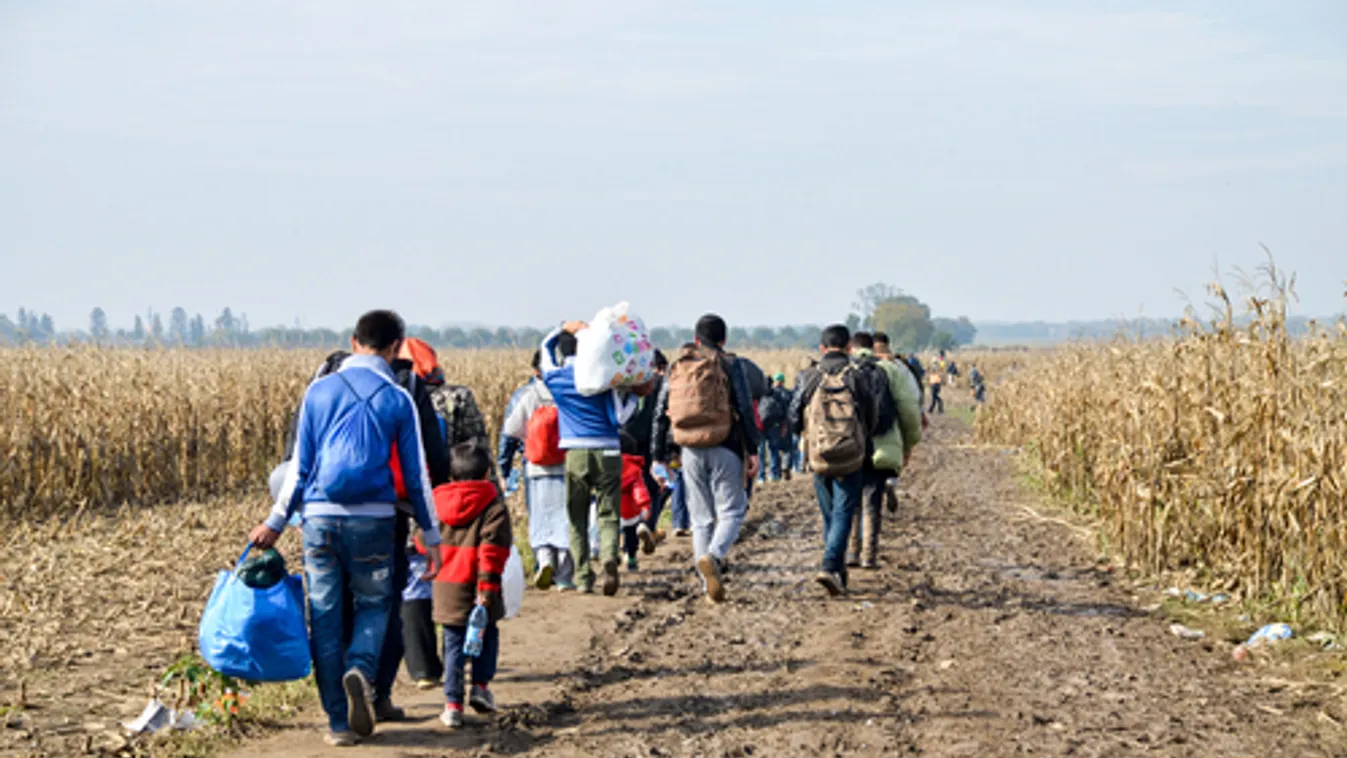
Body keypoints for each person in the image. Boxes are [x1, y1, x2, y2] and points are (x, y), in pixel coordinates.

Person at [250, 310, 443, 746]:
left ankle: (338, 724)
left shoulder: (318, 391)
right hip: (374, 520)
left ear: (354, 342)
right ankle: (361, 668)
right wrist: (431, 537)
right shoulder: (398, 399)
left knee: (325, 619)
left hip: (319, 520)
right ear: (397, 348)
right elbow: (417, 477)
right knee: (375, 605)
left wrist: (275, 522)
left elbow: (299, 466)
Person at [651, 314, 760, 603]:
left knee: (700, 518)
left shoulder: (679, 365)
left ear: (696, 339)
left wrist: (659, 455)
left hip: (689, 448)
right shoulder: (730, 364)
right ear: (723, 339)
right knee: (732, 511)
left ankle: (705, 585)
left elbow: (661, 412)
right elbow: (745, 409)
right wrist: (754, 450)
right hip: (726, 444)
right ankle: (714, 556)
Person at [540, 322, 639, 596]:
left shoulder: (556, 379)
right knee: (609, 512)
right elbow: (619, 418)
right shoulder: (601, 378)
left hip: (575, 452)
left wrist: (560, 328)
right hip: (608, 450)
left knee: (577, 517)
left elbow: (544, 351)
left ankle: (583, 577)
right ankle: (608, 555)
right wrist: (633, 400)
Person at [789, 324, 878, 597]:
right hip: (851, 455)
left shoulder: (809, 376)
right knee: (843, 512)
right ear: (849, 346)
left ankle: (836, 568)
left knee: (830, 514)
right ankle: (831, 566)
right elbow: (872, 414)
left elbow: (793, 415)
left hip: (818, 455)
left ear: (822, 348)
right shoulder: (858, 376)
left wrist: (806, 436)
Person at [431, 443, 513, 730]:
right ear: (488, 472)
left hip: (446, 588)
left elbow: (421, 540)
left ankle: (452, 705)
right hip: (481, 588)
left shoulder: (436, 503)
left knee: (452, 646)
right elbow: (492, 550)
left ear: (451, 476)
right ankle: (480, 687)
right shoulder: (493, 507)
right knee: (486, 636)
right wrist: (488, 587)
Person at [500, 350, 576, 591]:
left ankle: (543, 561)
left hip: (535, 467)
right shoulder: (568, 392)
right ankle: (564, 576)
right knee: (565, 519)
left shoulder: (528, 394)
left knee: (541, 518)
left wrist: (504, 467)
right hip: (565, 465)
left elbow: (510, 432)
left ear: (536, 371)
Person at [848, 332, 922, 569]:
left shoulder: (845, 369)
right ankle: (869, 555)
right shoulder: (891, 370)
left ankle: (851, 551)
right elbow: (909, 410)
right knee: (872, 500)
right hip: (882, 444)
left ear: (852, 347)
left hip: (849, 445)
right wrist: (909, 444)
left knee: (851, 500)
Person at [621, 350, 670, 544]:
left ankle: (627, 537)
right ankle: (648, 525)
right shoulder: (657, 384)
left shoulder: (623, 383)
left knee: (626, 488)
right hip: (649, 442)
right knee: (652, 487)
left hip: (624, 441)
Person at [619, 432, 654, 571]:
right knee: (630, 535)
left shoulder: (608, 467)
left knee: (610, 532)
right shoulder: (634, 468)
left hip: (612, 507)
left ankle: (610, 554)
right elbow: (638, 488)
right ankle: (631, 558)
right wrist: (645, 505)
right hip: (630, 510)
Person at [757, 372, 792, 482]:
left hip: (761, 427)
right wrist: (784, 426)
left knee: (761, 452)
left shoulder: (757, 394)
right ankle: (774, 475)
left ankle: (761, 476)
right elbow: (785, 411)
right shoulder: (778, 394)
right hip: (774, 426)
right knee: (774, 450)